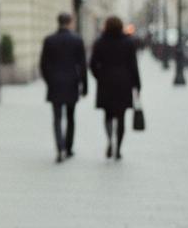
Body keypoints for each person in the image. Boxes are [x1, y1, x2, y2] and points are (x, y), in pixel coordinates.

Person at [89, 15, 141, 160]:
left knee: (108, 115)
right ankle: (118, 148)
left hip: (106, 83)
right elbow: (133, 66)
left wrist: (99, 76)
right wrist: (137, 85)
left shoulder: (100, 42)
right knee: (121, 117)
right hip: (124, 84)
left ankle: (110, 139)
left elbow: (92, 64)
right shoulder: (128, 42)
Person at [40, 11, 88, 163]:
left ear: (58, 22)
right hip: (71, 83)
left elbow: (43, 64)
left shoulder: (49, 40)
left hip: (55, 83)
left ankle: (60, 148)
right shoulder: (77, 40)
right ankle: (68, 148)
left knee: (57, 118)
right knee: (70, 117)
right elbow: (82, 65)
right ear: (70, 23)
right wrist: (84, 86)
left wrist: (49, 80)